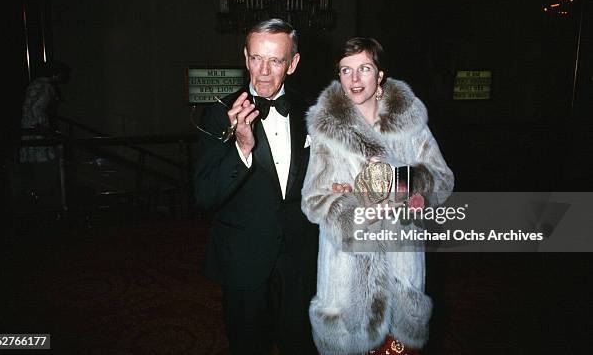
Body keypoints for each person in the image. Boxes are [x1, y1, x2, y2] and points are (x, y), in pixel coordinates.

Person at [301, 37, 454, 355]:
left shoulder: (409, 125)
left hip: (402, 268)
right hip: (346, 279)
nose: (354, 80)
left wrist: (397, 178)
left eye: (364, 69)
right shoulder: (326, 131)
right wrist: (354, 206)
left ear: (380, 74)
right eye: (346, 70)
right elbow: (313, 200)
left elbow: (442, 181)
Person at [194, 19, 319, 355]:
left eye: (275, 60)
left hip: (300, 260)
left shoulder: (314, 112)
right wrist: (242, 148)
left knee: (301, 345)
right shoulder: (218, 114)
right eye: (255, 58)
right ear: (245, 56)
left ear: (292, 64)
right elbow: (204, 196)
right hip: (244, 260)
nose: (263, 72)